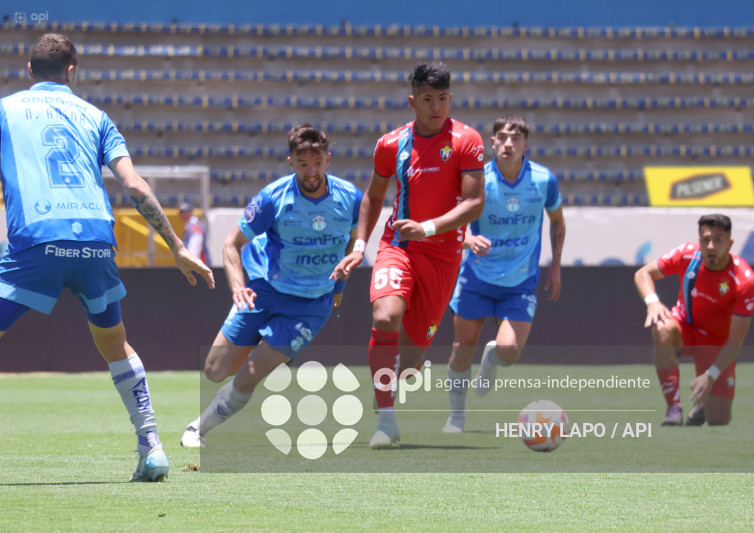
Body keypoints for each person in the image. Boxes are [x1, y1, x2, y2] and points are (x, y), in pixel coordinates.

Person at [0, 34, 215, 482]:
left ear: (28, 69)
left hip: (38, 239)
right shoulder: (97, 117)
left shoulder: (5, 110)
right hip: (96, 241)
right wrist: (177, 247)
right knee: (114, 344)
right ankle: (151, 446)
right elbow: (135, 187)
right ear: (72, 71)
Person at [331, 61, 485, 448]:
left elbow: (475, 202)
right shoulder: (391, 144)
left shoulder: (467, 140)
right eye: (429, 99)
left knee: (411, 364)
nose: (437, 107)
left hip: (444, 256)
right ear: (413, 101)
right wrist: (360, 247)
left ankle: (387, 388)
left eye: (444, 99)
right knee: (386, 317)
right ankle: (386, 421)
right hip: (398, 245)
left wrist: (429, 227)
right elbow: (373, 197)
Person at [180, 124, 362, 447]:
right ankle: (257, 343)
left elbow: (351, 243)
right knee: (213, 369)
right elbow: (230, 244)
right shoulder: (272, 198)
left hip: (310, 306)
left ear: (328, 159)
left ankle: (197, 429)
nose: (311, 171)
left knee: (250, 375)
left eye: (317, 162)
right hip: (264, 290)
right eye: (303, 163)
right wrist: (238, 286)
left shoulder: (350, 199)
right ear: (290, 162)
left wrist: (339, 289)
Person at [442, 114, 566, 433]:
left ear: (526, 144)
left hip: (519, 281)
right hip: (477, 278)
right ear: (492, 141)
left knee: (508, 353)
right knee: (462, 346)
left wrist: (554, 266)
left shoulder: (543, 180)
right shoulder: (477, 179)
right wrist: (467, 239)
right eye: (502, 137)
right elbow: (449, 219)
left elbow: (558, 222)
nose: (508, 142)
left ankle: (492, 361)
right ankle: (456, 416)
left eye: (515, 137)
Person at [634, 214, 754, 427]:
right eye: (705, 239)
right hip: (686, 329)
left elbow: (736, 339)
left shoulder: (745, 280)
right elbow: (643, 274)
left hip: (717, 343)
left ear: (730, 244)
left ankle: (703, 408)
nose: (710, 246)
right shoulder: (687, 255)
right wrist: (652, 302)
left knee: (718, 420)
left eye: (718, 240)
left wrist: (711, 375)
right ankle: (674, 407)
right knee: (661, 326)